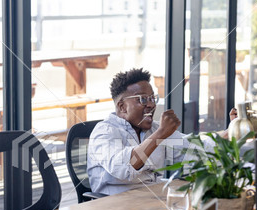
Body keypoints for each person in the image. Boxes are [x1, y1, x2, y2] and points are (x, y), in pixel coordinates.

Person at [87, 68, 235, 196]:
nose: (151, 104)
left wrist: (229, 133)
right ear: (122, 107)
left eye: (152, 98)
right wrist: (159, 135)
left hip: (151, 201)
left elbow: (193, 147)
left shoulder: (154, 129)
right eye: (143, 100)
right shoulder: (104, 132)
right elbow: (123, 167)